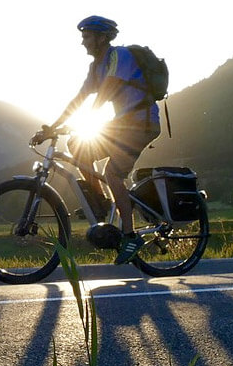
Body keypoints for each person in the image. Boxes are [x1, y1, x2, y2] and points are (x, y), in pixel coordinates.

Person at [40, 15, 161, 265]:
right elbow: (79, 98)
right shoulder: (96, 67)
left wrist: (88, 118)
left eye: (86, 37)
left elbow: (108, 90)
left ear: (101, 37)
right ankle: (102, 205)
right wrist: (52, 127)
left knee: (112, 173)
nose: (83, 42)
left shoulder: (120, 56)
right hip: (124, 124)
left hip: (142, 122)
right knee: (78, 146)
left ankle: (130, 236)